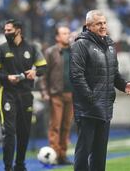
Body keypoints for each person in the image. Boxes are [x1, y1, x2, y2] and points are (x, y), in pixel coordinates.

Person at [70, 10, 130, 171]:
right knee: (83, 151)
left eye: (104, 23)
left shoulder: (110, 45)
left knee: (100, 153)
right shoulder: (80, 45)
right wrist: (91, 98)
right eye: (99, 23)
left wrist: (123, 84)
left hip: (105, 107)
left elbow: (114, 73)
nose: (103, 26)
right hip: (88, 108)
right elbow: (76, 76)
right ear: (88, 26)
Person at [0, 19, 47, 171]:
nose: (6, 33)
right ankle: (8, 167)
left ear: (18, 30)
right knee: (9, 132)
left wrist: (35, 72)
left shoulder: (32, 48)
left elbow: (43, 67)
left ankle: (20, 165)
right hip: (8, 93)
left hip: (26, 93)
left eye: (9, 30)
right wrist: (6, 78)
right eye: (5, 30)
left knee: (24, 130)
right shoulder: (1, 49)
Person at [40, 26, 75, 165]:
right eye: (64, 33)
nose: (67, 35)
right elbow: (43, 73)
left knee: (66, 126)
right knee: (55, 125)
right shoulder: (50, 52)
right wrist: (44, 92)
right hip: (56, 94)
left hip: (71, 94)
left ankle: (63, 155)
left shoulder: (74, 50)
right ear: (57, 37)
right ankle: (54, 154)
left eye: (68, 33)